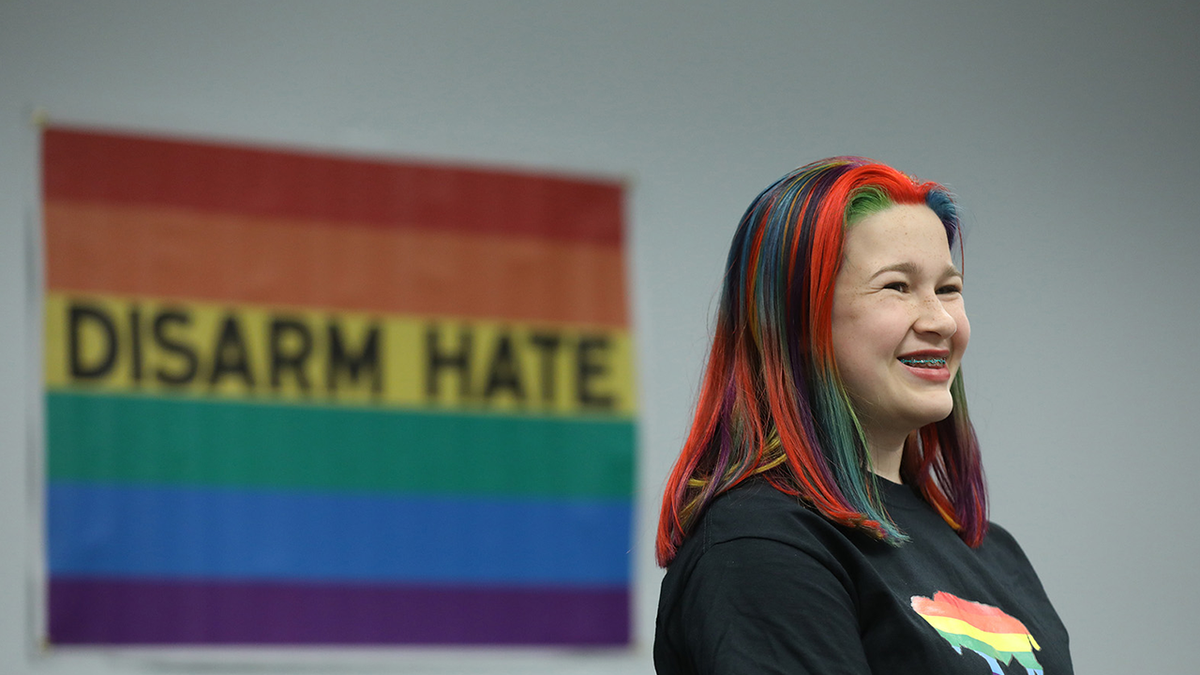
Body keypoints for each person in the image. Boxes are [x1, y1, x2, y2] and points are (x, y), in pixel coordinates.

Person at [653, 157, 1072, 674]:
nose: (941, 321)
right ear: (796, 322)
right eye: (897, 287)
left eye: (949, 289)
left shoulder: (993, 552)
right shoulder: (762, 543)